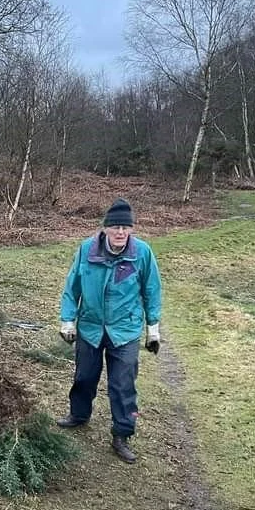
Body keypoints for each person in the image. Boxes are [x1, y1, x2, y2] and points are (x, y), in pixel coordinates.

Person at [57, 198, 162, 464]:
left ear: (131, 229)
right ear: (104, 229)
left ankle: (122, 434)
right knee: (84, 377)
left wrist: (153, 329)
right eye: (115, 227)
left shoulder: (142, 253)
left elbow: (152, 291)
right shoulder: (86, 251)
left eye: (125, 227)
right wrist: (67, 320)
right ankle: (79, 415)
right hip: (90, 327)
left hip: (125, 330)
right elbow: (73, 287)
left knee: (122, 385)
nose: (120, 232)